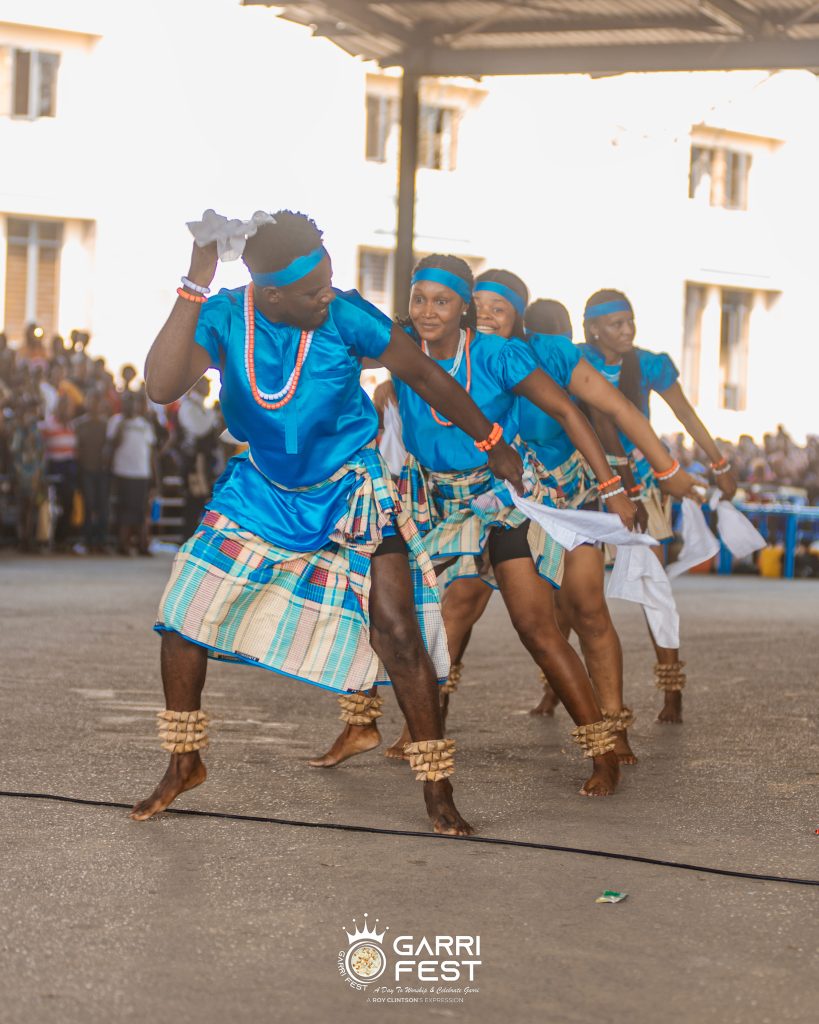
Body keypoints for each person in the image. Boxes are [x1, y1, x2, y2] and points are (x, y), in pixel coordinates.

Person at [131, 211, 524, 835]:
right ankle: (185, 762)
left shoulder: (346, 316)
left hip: (351, 488)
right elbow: (160, 385)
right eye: (314, 289)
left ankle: (437, 788)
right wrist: (196, 280)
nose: (328, 294)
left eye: (329, 280)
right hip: (262, 490)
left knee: (398, 633)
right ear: (271, 295)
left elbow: (424, 374)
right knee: (182, 619)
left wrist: (491, 439)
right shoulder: (227, 316)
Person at [312, 255, 672, 797]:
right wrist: (317, 290)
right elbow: (335, 328)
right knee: (390, 611)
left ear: (462, 308)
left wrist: (613, 487)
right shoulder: (401, 348)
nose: (428, 311)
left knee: (536, 628)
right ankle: (365, 723)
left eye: (442, 301)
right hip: (438, 502)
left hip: (504, 498)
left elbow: (570, 412)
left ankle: (602, 750)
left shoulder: (499, 355)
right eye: (419, 299)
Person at [578, 289, 737, 723]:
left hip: (642, 485)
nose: (627, 330)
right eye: (617, 323)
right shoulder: (574, 359)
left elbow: (686, 414)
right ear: (593, 329)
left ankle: (672, 689)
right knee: (576, 593)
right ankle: (556, 691)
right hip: (584, 481)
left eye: (630, 321)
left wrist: (719, 462)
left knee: (654, 587)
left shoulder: (649, 365)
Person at [107, 392, 158, 556]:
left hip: (142, 473)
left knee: (142, 511)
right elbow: (113, 444)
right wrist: (123, 424)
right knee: (125, 511)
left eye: (133, 402)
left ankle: (143, 544)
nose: (131, 405)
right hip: (123, 472)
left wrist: (155, 476)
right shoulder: (116, 421)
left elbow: (151, 453)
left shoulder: (145, 424)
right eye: (127, 402)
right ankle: (123, 544)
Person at [175, 377, 220, 537]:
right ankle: (187, 538)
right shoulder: (188, 406)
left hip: (203, 463)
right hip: (193, 464)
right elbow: (199, 429)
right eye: (204, 384)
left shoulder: (201, 408)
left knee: (201, 501)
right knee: (193, 502)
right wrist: (212, 415)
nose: (208, 388)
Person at [75, 390, 111, 553]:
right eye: (91, 402)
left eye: (96, 402)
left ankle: (101, 541)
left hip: (102, 472)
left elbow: (110, 446)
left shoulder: (106, 424)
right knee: (88, 505)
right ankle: (87, 540)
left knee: (102, 506)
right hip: (86, 470)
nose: (94, 405)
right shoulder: (79, 424)